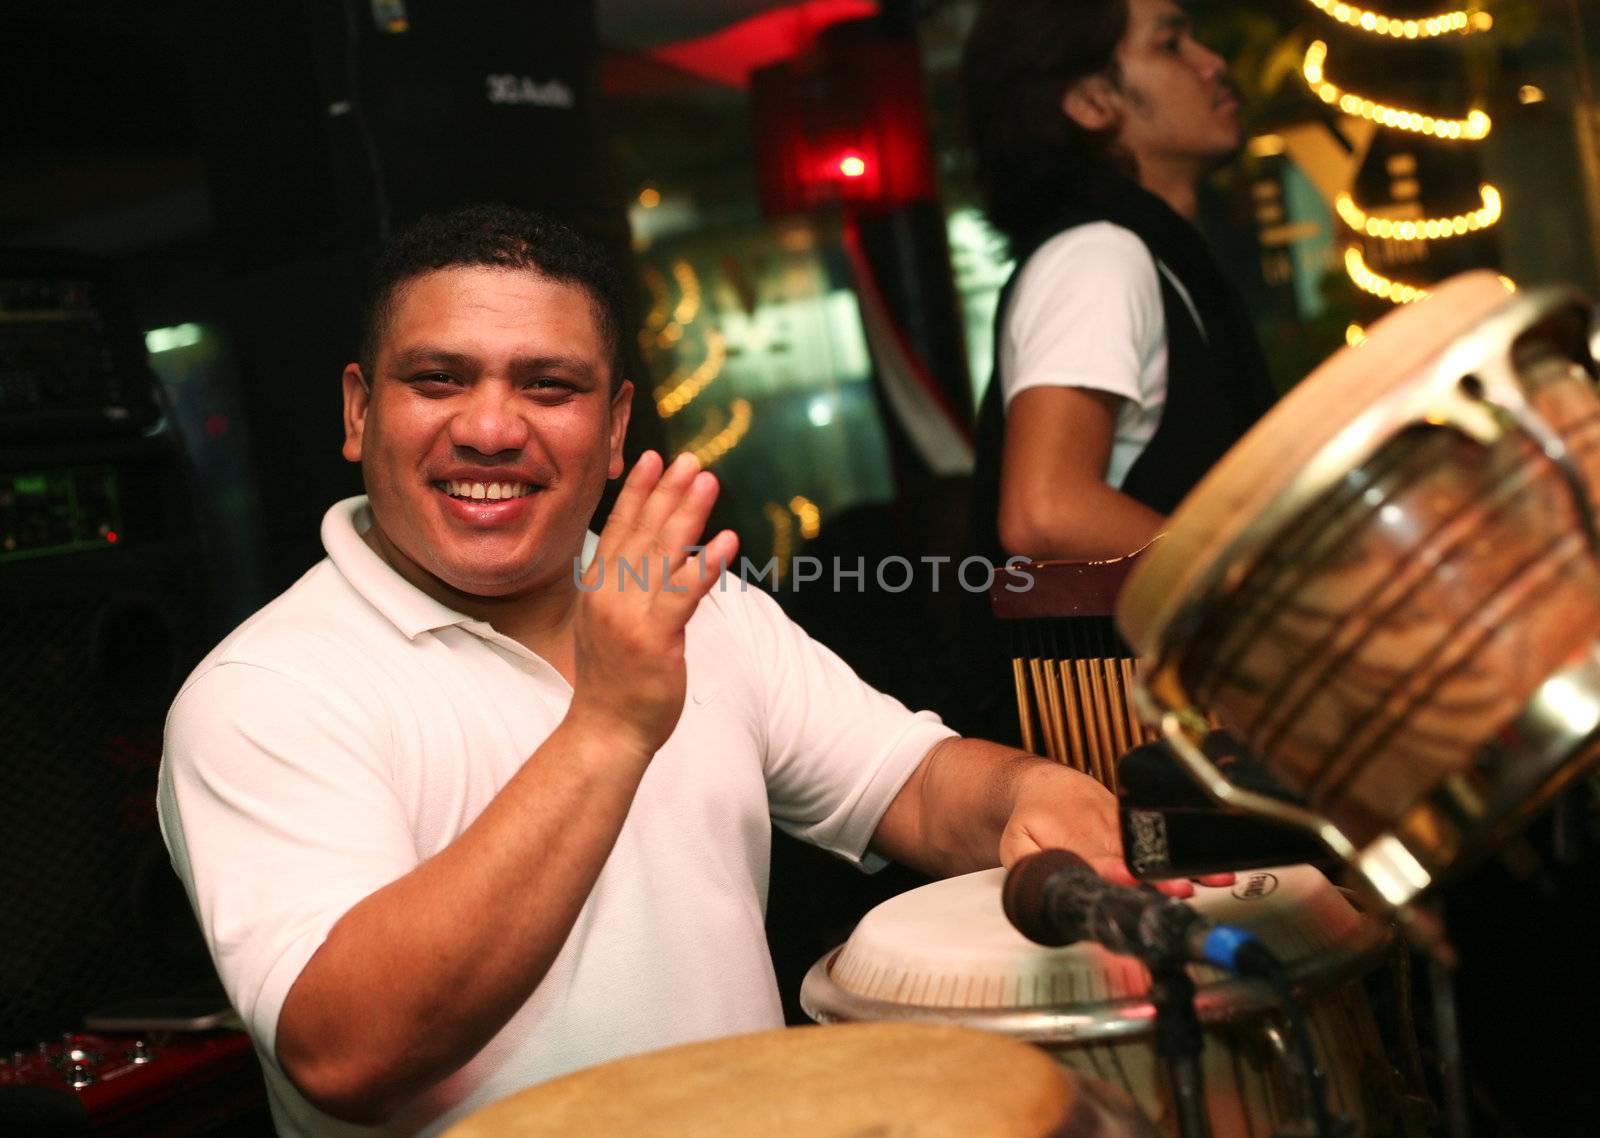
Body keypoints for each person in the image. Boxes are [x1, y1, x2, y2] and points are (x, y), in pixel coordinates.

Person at [157, 205, 1201, 1138]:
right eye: (438, 378)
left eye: (548, 386)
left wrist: (1025, 789)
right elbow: (347, 1053)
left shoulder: (701, 608)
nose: (488, 426)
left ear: (613, 431)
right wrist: (610, 721)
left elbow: (911, 782)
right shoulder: (265, 691)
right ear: (357, 411)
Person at [962, 0, 1279, 562]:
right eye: (1170, 45)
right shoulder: (1098, 257)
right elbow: (1046, 513)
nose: (1211, 62)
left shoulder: (1150, 254)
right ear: (1091, 102)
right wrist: (1249, 585)